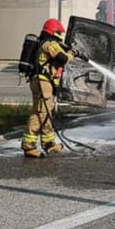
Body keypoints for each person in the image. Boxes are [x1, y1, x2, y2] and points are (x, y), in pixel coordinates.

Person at [22, 18, 78, 158]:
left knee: (46, 112)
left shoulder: (45, 42)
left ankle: (49, 143)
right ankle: (29, 146)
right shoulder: (50, 44)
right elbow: (62, 58)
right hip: (43, 82)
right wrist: (72, 54)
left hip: (42, 82)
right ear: (55, 32)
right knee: (40, 113)